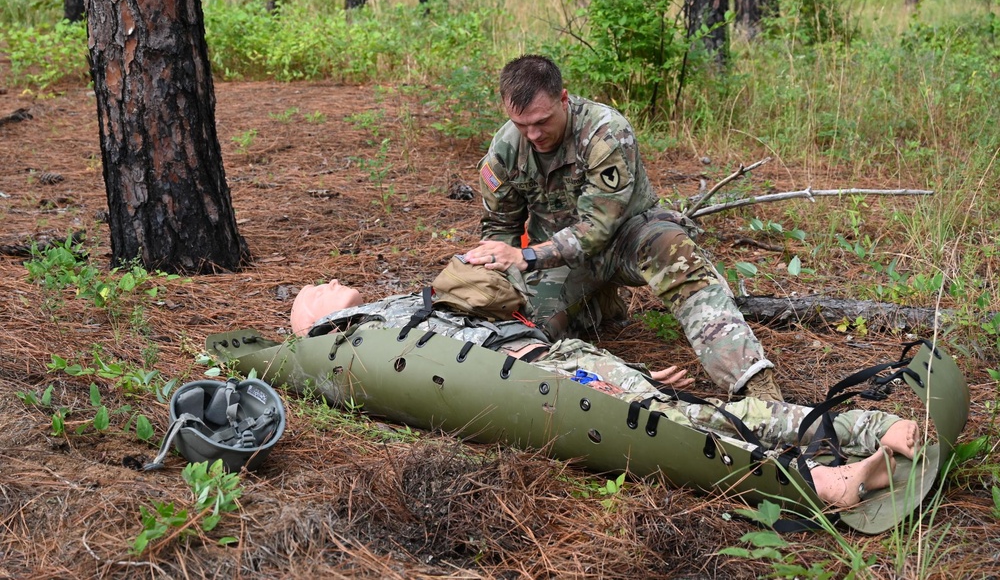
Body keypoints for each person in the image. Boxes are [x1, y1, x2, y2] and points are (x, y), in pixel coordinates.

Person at [291, 280, 920, 509]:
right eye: (317, 289)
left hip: (559, 357)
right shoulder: (351, 339)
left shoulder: (403, 304)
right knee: (677, 425)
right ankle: (826, 482)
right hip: (539, 377)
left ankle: (867, 427)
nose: (329, 281)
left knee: (692, 411)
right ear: (312, 322)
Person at [467, 54, 782, 402]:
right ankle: (602, 323)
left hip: (629, 240)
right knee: (524, 331)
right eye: (521, 124)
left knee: (675, 253)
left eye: (542, 121)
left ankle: (753, 382)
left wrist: (526, 256)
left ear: (563, 98)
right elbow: (499, 225)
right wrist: (502, 282)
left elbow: (597, 228)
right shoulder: (505, 149)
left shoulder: (604, 131)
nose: (534, 134)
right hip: (559, 264)